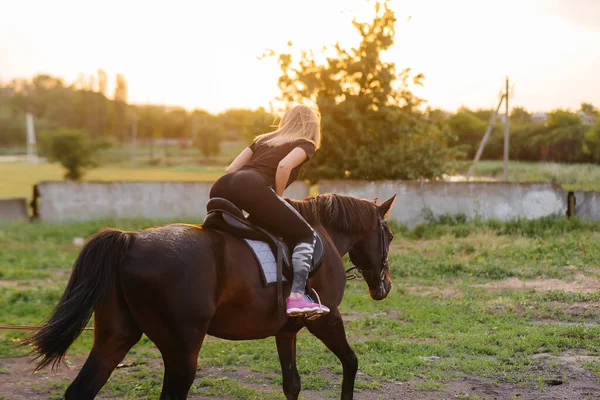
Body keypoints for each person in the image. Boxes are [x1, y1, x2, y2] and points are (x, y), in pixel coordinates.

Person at [209, 105, 330, 318]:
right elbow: (284, 166)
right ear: (312, 126)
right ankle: (296, 297)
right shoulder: (306, 143)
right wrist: (277, 197)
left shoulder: (262, 139)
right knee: (306, 235)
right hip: (253, 188)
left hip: (222, 186)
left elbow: (230, 169)